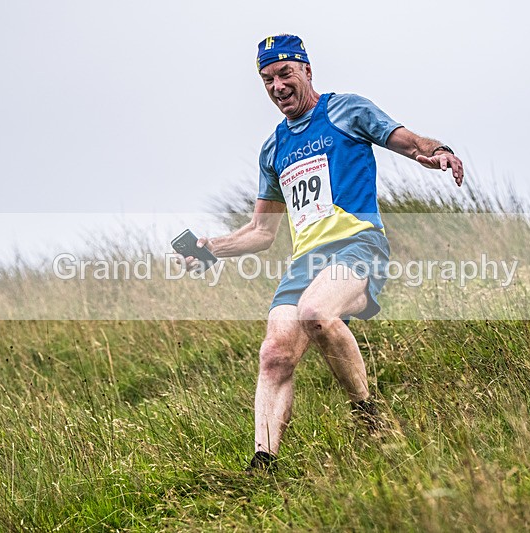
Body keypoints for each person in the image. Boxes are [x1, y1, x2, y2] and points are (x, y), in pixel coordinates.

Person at [183, 34, 464, 471]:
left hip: (358, 245)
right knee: (274, 352)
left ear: (306, 71)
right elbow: (261, 231)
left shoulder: (345, 110)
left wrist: (437, 151)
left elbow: (406, 140)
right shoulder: (273, 148)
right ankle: (263, 462)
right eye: (267, 80)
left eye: (285, 74)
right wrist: (209, 249)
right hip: (305, 263)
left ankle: (368, 413)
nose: (277, 86)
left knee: (315, 312)